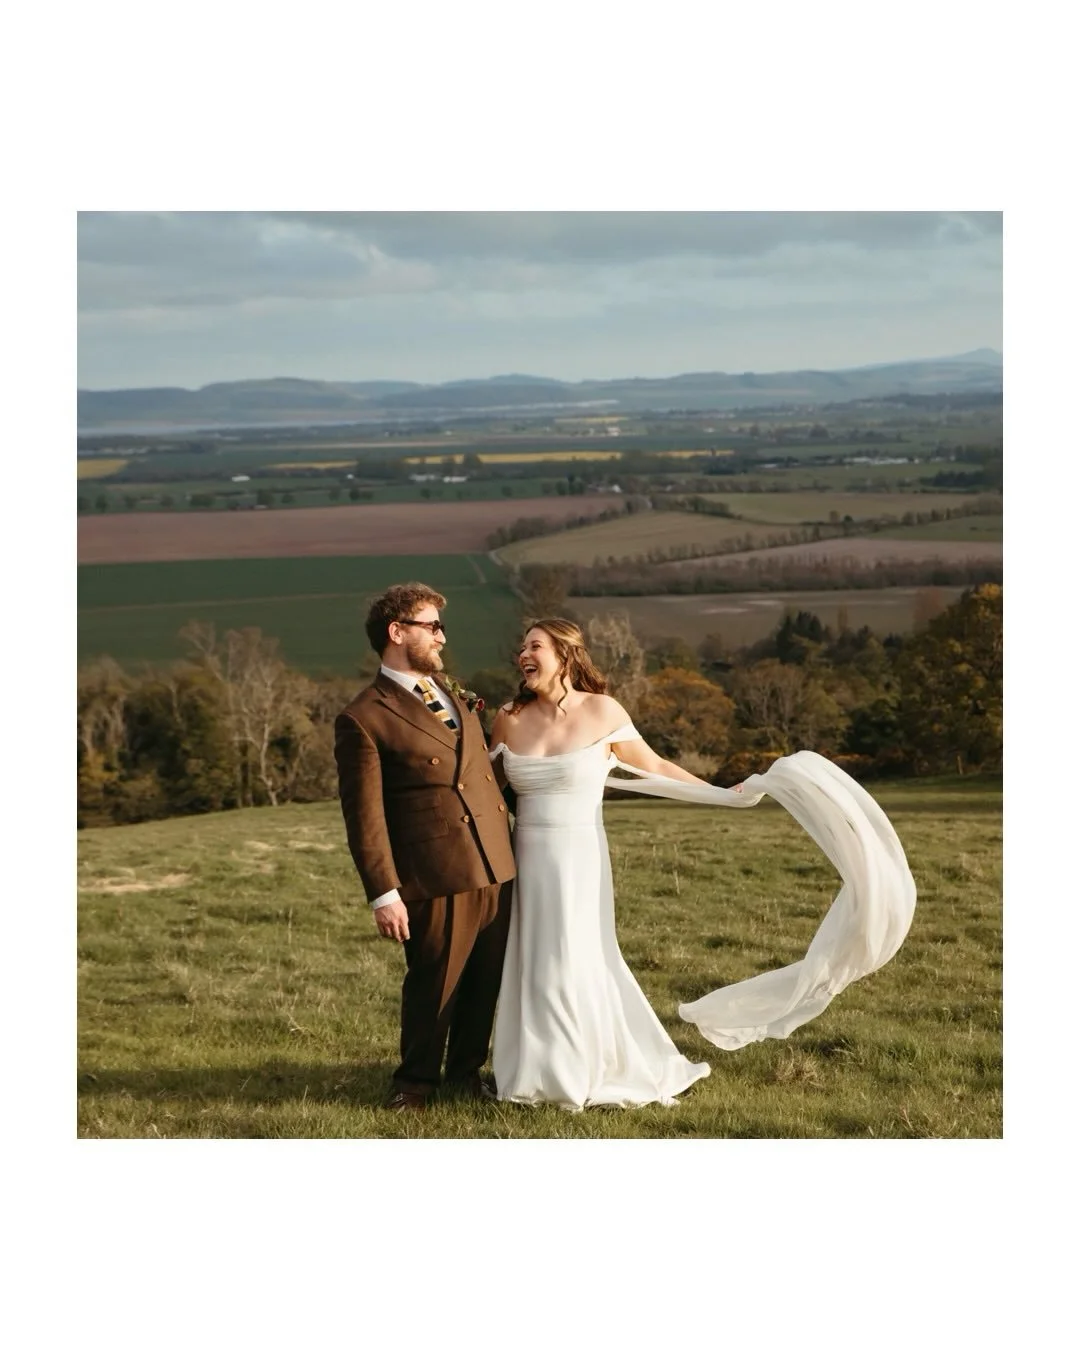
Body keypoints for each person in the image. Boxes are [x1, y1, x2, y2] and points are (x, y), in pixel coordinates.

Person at [488, 618, 916, 1112]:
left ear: (565, 654)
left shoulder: (603, 711)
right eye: (521, 647)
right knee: (531, 962)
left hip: (579, 861)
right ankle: (534, 1071)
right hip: (526, 857)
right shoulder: (507, 717)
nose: (524, 653)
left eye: (535, 645)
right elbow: (481, 785)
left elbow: (658, 767)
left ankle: (580, 1068)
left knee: (573, 956)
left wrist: (718, 793)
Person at [334, 583, 515, 1112]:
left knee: (485, 981)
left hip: (495, 862)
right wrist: (383, 893)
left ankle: (465, 1075)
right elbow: (363, 815)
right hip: (434, 870)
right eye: (431, 625)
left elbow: (483, 774)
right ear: (397, 632)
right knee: (435, 982)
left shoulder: (453, 695)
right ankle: (414, 1084)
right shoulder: (364, 716)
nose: (441, 635)